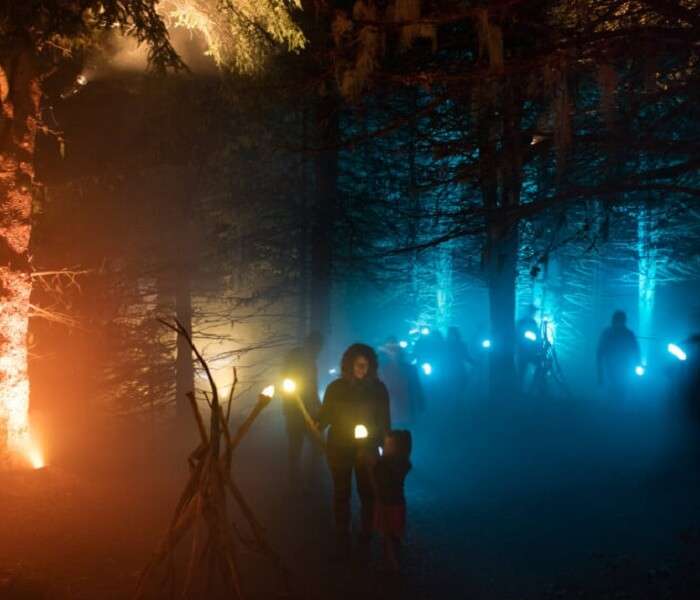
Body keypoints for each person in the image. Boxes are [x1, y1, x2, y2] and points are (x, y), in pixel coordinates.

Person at [318, 343, 391, 558]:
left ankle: (366, 532)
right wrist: (317, 423)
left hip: (366, 449)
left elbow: (385, 420)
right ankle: (342, 531)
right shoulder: (336, 388)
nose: (363, 369)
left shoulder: (378, 389)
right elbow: (326, 416)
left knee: (367, 492)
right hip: (339, 447)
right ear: (349, 364)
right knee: (342, 492)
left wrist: (385, 444)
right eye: (359, 365)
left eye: (367, 365)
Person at [281, 332, 323, 489]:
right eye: (318, 347)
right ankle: (296, 479)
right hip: (295, 410)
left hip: (309, 411)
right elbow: (286, 381)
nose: (318, 351)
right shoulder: (297, 357)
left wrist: (318, 407)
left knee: (315, 444)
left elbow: (313, 387)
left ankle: (312, 477)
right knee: (296, 445)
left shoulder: (311, 361)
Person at [373, 429, 412, 572]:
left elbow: (384, 479)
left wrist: (375, 465)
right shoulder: (389, 463)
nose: (385, 447)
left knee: (392, 535)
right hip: (385, 503)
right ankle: (388, 559)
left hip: (392, 505)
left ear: (399, 448)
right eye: (385, 444)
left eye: (389, 445)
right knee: (386, 534)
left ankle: (393, 560)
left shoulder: (398, 465)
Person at [379, 337, 424, 427]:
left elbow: (416, 388)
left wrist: (420, 403)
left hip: (406, 414)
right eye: (390, 349)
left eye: (394, 348)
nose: (393, 351)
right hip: (390, 416)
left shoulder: (409, 369)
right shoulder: (380, 370)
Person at [596, 310, 641, 401]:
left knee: (620, 384)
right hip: (614, 364)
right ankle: (616, 405)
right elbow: (600, 351)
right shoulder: (610, 333)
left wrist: (637, 363)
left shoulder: (624, 334)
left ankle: (616, 405)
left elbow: (635, 350)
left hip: (621, 364)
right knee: (617, 384)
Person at [444, 327, 474, 408]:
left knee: (460, 385)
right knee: (455, 386)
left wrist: (474, 362)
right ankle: (455, 403)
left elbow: (466, 356)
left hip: (456, 368)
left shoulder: (461, 344)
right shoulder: (445, 344)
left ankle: (457, 402)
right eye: (451, 333)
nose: (452, 335)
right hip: (450, 368)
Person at [515, 305, 540, 393]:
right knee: (521, 373)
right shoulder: (521, 322)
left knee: (540, 366)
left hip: (531, 352)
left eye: (534, 311)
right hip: (523, 352)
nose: (534, 313)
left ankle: (531, 390)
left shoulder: (533, 322)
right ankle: (519, 393)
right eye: (533, 311)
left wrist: (538, 347)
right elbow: (518, 336)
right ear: (529, 311)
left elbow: (537, 337)